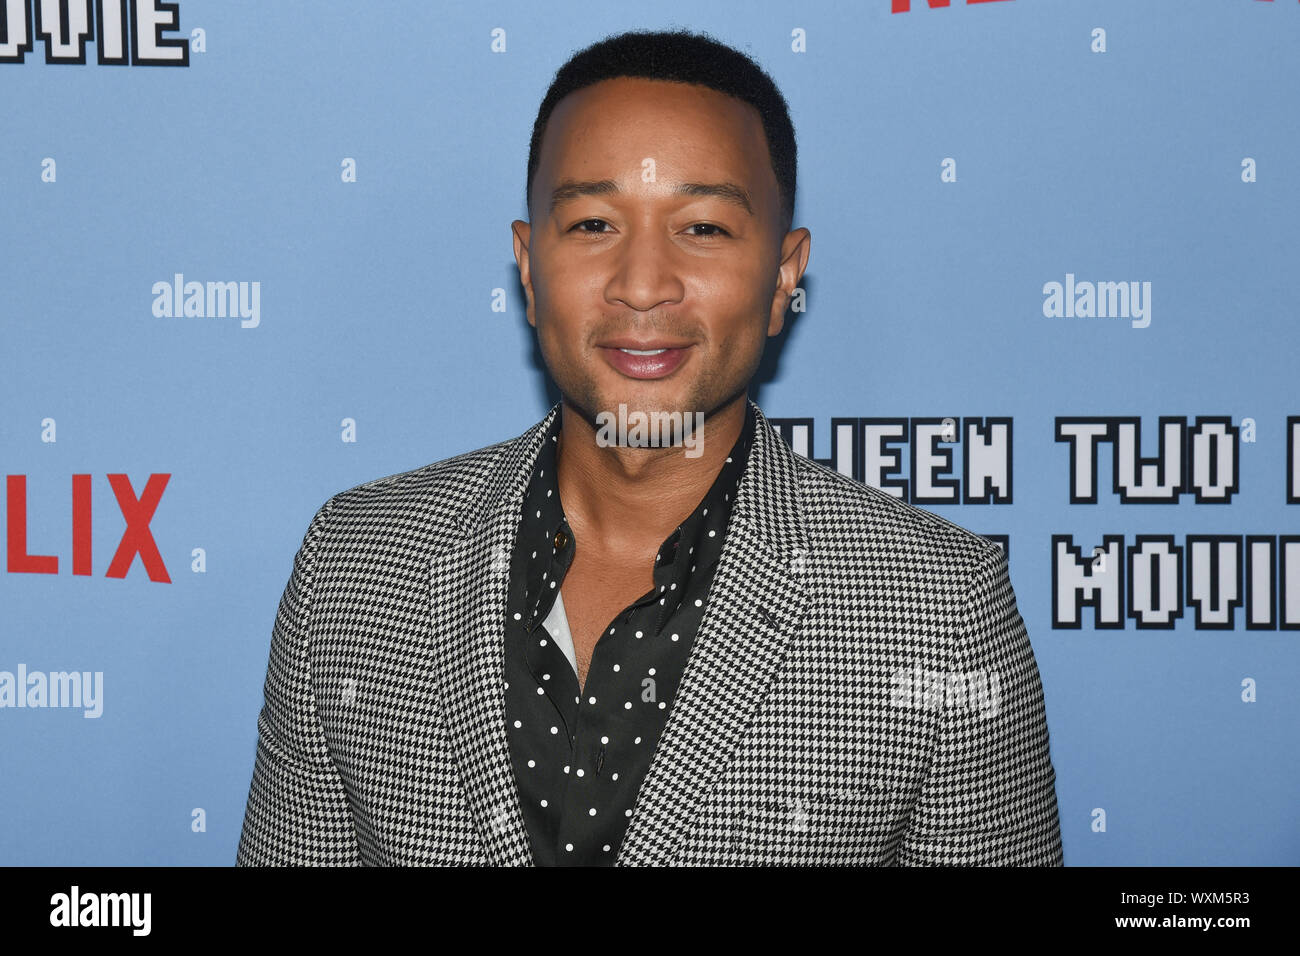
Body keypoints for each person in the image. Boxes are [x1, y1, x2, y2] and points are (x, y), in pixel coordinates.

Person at [235, 28, 1063, 866]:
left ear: (784, 276)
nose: (641, 285)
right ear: (528, 268)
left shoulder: (936, 610)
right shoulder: (354, 567)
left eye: (702, 229)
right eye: (594, 223)